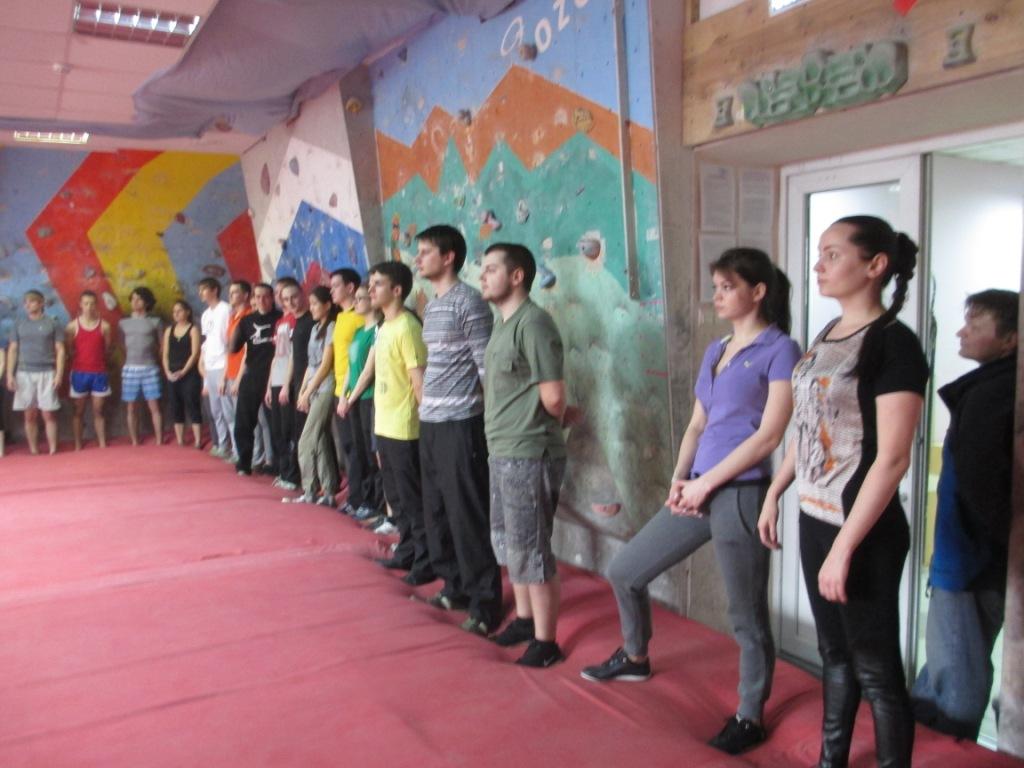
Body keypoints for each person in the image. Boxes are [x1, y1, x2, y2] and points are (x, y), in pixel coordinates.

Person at [580, 248, 800, 753]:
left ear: (758, 292)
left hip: (740, 492)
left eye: (727, 287)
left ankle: (749, 716)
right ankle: (635, 656)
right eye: (715, 286)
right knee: (626, 570)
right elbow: (699, 424)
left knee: (745, 614)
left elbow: (769, 436)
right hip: (697, 486)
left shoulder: (780, 349)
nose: (717, 296)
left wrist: (707, 483)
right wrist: (679, 480)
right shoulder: (717, 349)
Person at [759, 215, 928, 768]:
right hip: (816, 516)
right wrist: (776, 491)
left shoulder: (894, 345)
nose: (819, 265)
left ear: (875, 265)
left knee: (876, 667)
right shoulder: (829, 332)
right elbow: (808, 427)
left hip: (864, 529)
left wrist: (845, 546)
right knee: (834, 654)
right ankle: (831, 759)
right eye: (820, 254)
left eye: (833, 254)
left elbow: (893, 458)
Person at [911, 289, 1019, 741]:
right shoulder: (989, 388)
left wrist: (998, 547)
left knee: (959, 679)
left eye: (975, 324)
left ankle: (947, 751)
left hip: (972, 563)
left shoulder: (996, 394)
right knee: (943, 663)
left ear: (1011, 339)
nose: (961, 332)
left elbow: (982, 484)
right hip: (967, 557)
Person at [480, 243, 572, 668]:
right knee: (510, 541)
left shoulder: (533, 323)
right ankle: (524, 618)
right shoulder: (504, 323)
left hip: (529, 451)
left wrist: (551, 416)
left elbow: (553, 396)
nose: (483, 276)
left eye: (491, 269)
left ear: (517, 276)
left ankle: (546, 642)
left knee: (531, 547)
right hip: (502, 449)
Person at [414, 224, 502, 637]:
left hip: (461, 423)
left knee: (467, 515)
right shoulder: (433, 306)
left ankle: (485, 604)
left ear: (448, 257)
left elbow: (487, 370)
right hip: (431, 423)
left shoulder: (470, 302)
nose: (418, 259)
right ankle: (455, 587)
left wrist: (491, 427)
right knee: (437, 512)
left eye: (426, 251)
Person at [361, 261, 432, 584]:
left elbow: (419, 382)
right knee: (397, 498)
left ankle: (425, 560)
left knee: (413, 499)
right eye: (371, 283)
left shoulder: (407, 327)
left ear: (397, 290)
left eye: (377, 284)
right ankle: (407, 550)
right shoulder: (385, 327)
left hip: (406, 428)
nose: (371, 289)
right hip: (385, 426)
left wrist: (427, 430)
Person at [286, 286, 339, 506]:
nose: (312, 308)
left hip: (326, 387)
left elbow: (325, 365)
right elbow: (311, 364)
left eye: (316, 304)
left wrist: (308, 391)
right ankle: (329, 492)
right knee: (320, 439)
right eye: (311, 304)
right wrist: (302, 391)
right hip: (313, 387)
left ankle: (309, 489)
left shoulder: (332, 327)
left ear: (327, 305)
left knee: (306, 441)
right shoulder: (315, 327)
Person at [336, 285, 385, 523]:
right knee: (360, 451)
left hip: (368, 398)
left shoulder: (377, 330)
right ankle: (363, 499)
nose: (355, 303)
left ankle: (375, 503)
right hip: (353, 398)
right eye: (354, 299)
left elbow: (368, 371)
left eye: (360, 298)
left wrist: (352, 398)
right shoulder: (357, 332)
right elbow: (350, 368)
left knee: (371, 452)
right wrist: (344, 395)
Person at [229, 282, 282, 476]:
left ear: (272, 298)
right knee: (243, 422)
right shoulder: (247, 321)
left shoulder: (280, 318)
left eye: (265, 296)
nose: (261, 300)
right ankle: (244, 463)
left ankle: (278, 465)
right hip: (252, 375)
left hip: (275, 376)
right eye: (257, 296)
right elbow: (234, 348)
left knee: (275, 424)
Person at [6, 290, 64, 455]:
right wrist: (10, 374)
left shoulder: (52, 323)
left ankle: (53, 449)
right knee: (29, 414)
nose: (28, 305)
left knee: (48, 414)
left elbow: (60, 350)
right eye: (26, 302)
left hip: (47, 372)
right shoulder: (19, 324)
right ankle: (33, 449)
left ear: (41, 303)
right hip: (24, 374)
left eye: (31, 301)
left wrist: (59, 374)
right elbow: (13, 350)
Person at [330, 267, 365, 503]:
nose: (331, 290)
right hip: (339, 388)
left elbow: (359, 359)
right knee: (347, 446)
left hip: (354, 390)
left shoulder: (359, 317)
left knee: (357, 448)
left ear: (350, 287)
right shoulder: (341, 316)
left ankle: (360, 499)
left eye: (336, 286)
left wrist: (349, 393)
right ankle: (354, 494)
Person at [275, 281, 314, 492]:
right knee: (296, 432)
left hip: (312, 385)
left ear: (303, 295)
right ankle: (298, 478)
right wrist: (285, 385)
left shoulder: (311, 321)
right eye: (286, 299)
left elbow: (317, 359)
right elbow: (292, 356)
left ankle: (309, 481)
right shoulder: (296, 323)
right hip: (297, 384)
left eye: (294, 297)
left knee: (308, 436)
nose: (290, 302)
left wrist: (307, 388)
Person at [65, 291, 112, 450]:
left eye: (92, 303)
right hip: (79, 373)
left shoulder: (105, 326)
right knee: (78, 411)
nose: (89, 307)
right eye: (86, 303)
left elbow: (107, 349)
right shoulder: (72, 326)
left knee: (99, 410)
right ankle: (78, 444)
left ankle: (102, 442)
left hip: (99, 373)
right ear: (80, 305)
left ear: (96, 305)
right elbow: (69, 349)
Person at [120, 286, 163, 446]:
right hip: (130, 368)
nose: (135, 302)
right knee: (131, 407)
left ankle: (159, 440)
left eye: (138, 299)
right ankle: (134, 440)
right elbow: (121, 345)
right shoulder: (123, 323)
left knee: (154, 406)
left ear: (147, 302)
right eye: (133, 299)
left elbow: (162, 345)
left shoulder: (155, 322)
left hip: (150, 368)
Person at [267, 277, 299, 483]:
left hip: (289, 381)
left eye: (284, 293)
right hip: (276, 380)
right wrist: (269, 386)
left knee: (289, 430)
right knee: (278, 430)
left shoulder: (295, 320)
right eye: (278, 293)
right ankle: (284, 471)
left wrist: (287, 385)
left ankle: (292, 475)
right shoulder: (280, 322)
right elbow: (276, 356)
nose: (279, 297)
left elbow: (293, 356)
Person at [198, 278, 233, 459]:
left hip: (222, 364)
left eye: (204, 289)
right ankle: (222, 444)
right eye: (200, 290)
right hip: (210, 366)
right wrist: (203, 362)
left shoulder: (225, 309)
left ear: (214, 290)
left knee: (228, 411)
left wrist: (226, 371)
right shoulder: (205, 315)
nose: (201, 293)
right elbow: (207, 341)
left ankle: (236, 448)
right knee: (216, 410)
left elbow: (228, 340)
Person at [162, 300, 203, 448]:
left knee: (192, 403)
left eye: (179, 311)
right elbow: (165, 354)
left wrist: (184, 371)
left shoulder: (193, 329)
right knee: (175, 404)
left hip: (189, 373)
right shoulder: (169, 330)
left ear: (187, 312)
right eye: (174, 312)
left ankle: (198, 440)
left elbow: (195, 353)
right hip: (172, 373)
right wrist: (167, 372)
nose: (176, 314)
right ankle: (180, 439)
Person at [220, 280, 252, 463]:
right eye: (230, 292)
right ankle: (237, 451)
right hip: (230, 372)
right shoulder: (232, 317)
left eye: (235, 292)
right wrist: (224, 377)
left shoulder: (249, 316)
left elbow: (248, 351)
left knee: (248, 419)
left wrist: (239, 378)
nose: (230, 296)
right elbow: (229, 350)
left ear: (245, 295)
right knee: (231, 417)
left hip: (243, 373)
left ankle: (256, 456)